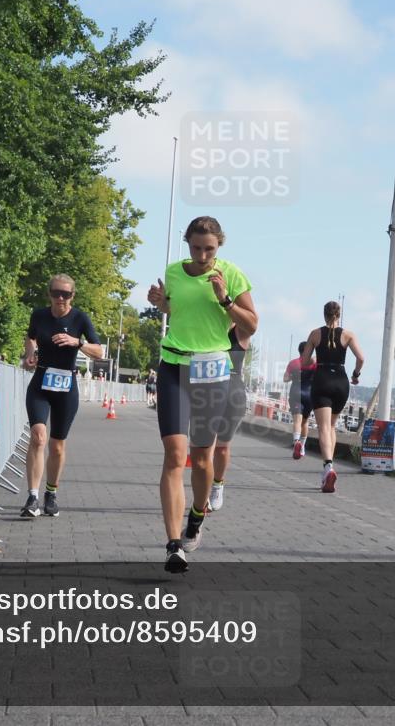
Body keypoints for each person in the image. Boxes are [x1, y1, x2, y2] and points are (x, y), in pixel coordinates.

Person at [147, 216, 257, 572]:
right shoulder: (174, 272)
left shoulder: (232, 274)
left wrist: (226, 300)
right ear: (188, 243)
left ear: (219, 245)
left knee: (202, 459)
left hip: (212, 371)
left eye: (209, 249)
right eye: (196, 248)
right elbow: (178, 310)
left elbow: (252, 324)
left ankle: (197, 515)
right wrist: (161, 303)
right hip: (173, 365)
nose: (203, 255)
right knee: (174, 454)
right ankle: (173, 545)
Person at [21, 274, 103, 518]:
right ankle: (32, 497)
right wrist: (30, 354)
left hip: (66, 388)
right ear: (49, 294)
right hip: (40, 384)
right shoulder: (39, 315)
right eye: (56, 293)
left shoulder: (80, 318)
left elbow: (98, 351)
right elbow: (30, 336)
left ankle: (51, 493)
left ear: (72, 295)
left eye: (66, 294)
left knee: (57, 446)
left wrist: (77, 342)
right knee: (38, 437)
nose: (60, 298)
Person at [300, 301, 364, 493]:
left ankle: (328, 467)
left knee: (323, 428)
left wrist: (315, 359)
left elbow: (304, 362)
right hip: (341, 382)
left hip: (322, 380)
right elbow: (361, 358)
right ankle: (330, 466)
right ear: (339, 315)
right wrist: (355, 375)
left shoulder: (315, 334)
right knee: (332, 426)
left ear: (324, 315)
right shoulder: (348, 335)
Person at [207, 323, 253, 511]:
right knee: (205, 445)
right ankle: (202, 493)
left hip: (233, 392)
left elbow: (252, 321)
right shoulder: (207, 327)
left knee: (222, 447)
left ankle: (217, 485)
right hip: (207, 389)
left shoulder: (240, 331)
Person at [284, 342, 317, 459]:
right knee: (305, 422)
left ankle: (296, 442)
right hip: (309, 394)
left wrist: (293, 376)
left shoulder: (293, 363)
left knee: (297, 420)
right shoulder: (314, 363)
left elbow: (285, 379)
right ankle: (302, 447)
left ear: (299, 351)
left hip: (296, 392)